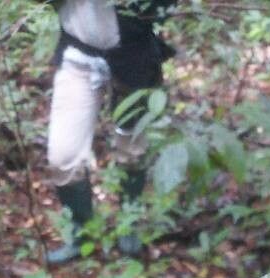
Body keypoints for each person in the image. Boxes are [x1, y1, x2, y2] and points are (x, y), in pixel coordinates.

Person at [45, 1, 177, 263]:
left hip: (133, 57)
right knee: (62, 158)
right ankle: (81, 232)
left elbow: (163, 9)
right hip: (77, 54)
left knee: (131, 148)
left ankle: (129, 223)